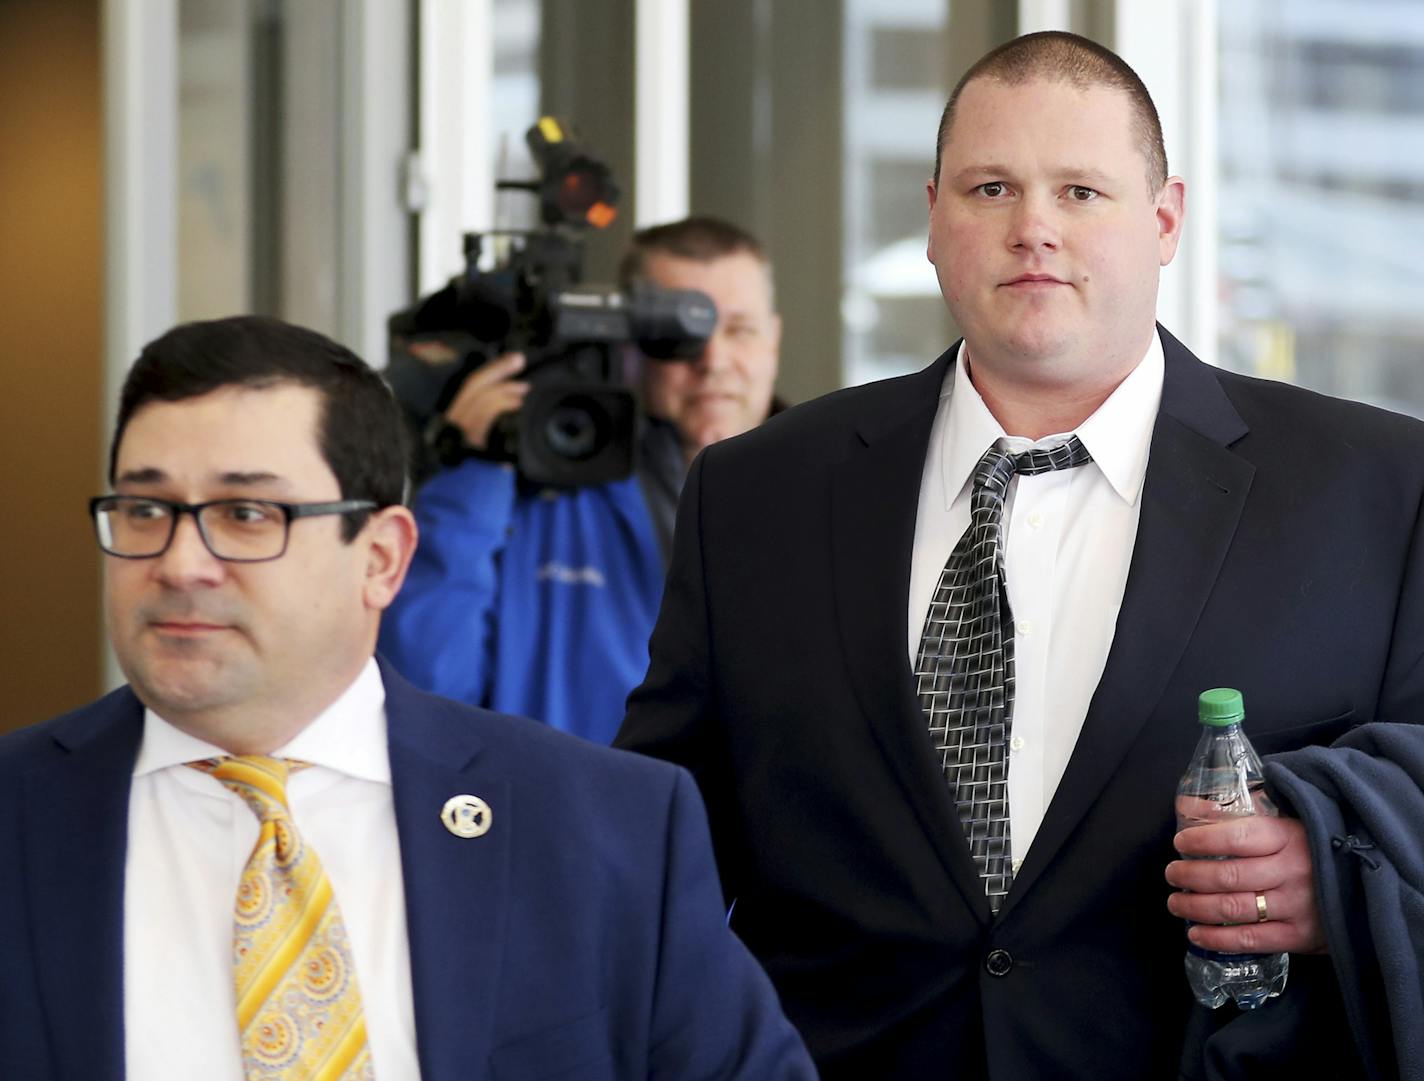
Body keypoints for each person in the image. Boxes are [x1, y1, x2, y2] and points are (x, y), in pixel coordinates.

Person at [615, 30, 1424, 1080]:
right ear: (934, 219)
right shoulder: (755, 492)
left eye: (1080, 192)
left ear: (1165, 219)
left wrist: (1342, 869)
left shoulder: (1376, 486)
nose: (1031, 228)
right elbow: (656, 848)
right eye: (989, 187)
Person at [0, 315, 814, 1081]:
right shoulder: (20, 814)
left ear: (382, 558)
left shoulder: (608, 826)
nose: (180, 563)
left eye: (246, 513)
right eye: (146, 509)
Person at [379, 215, 782, 743]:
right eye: (678, 336)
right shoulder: (532, 496)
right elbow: (425, 697)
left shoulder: (831, 496)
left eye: (739, 330)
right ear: (626, 345)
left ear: (773, 339)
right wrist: (470, 472)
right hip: (571, 817)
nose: (712, 361)